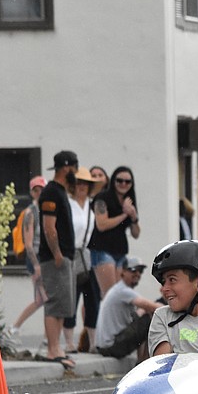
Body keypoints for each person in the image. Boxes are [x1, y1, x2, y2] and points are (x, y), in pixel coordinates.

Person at [38, 150, 79, 371]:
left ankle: (58, 349)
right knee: (55, 303)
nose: (75, 172)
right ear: (66, 168)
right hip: (55, 258)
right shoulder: (51, 192)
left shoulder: (61, 191)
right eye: (74, 167)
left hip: (64, 258)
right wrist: (56, 254)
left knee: (64, 304)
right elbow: (48, 227)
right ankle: (53, 349)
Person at [5, 176, 48, 346]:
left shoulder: (46, 210)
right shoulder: (31, 213)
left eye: (42, 190)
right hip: (36, 260)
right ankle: (15, 328)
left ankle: (44, 336)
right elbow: (29, 244)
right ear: (32, 192)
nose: (39, 193)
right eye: (36, 190)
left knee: (43, 300)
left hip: (44, 259)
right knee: (44, 300)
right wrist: (36, 266)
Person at [95, 255, 162, 361]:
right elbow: (151, 306)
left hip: (107, 345)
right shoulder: (122, 290)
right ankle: (144, 363)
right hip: (111, 346)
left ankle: (142, 360)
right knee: (151, 319)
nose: (137, 274)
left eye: (140, 271)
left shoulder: (121, 290)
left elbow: (142, 310)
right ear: (123, 271)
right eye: (133, 270)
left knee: (145, 316)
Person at [91, 165, 140, 300]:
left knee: (120, 296)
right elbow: (102, 225)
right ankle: (104, 321)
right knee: (110, 296)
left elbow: (136, 234)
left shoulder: (129, 201)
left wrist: (134, 216)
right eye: (119, 180)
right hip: (102, 249)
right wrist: (125, 215)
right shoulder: (102, 198)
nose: (123, 184)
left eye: (127, 181)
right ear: (113, 181)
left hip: (120, 251)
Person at [67, 167, 101, 352]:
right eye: (78, 183)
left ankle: (93, 341)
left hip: (86, 255)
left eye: (85, 184)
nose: (82, 187)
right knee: (71, 298)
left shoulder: (91, 205)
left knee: (92, 299)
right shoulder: (69, 204)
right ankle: (69, 341)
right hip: (71, 254)